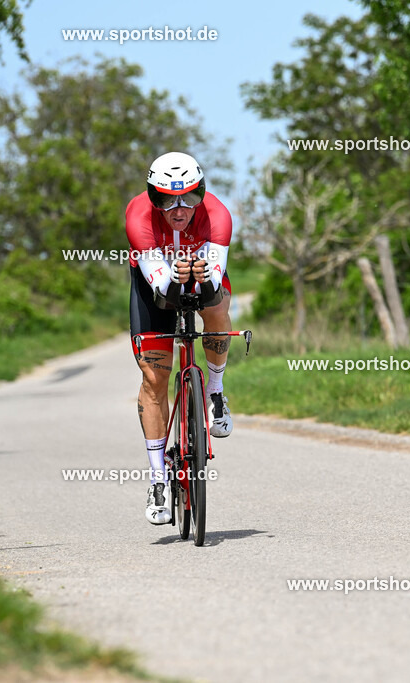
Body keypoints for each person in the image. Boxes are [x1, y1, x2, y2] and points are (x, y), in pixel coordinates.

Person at [125, 151, 233, 524]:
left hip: (200, 275)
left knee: (218, 307)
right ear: (152, 197)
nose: (179, 208)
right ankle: (158, 478)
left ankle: (215, 392)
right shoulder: (138, 216)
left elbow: (214, 284)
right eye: (167, 199)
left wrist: (200, 276)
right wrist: (176, 275)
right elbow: (161, 287)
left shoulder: (218, 216)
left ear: (201, 192)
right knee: (155, 378)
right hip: (154, 286)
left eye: (189, 196)